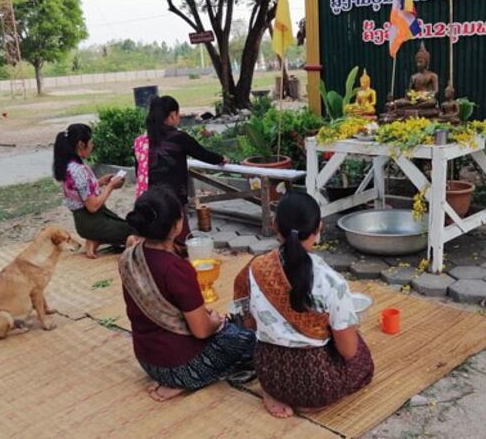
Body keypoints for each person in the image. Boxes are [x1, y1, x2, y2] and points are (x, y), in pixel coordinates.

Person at [233, 192, 374, 418]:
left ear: (274, 225)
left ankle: (271, 393)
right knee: (360, 354)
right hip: (316, 386)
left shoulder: (255, 268)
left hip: (269, 370)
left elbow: (245, 317)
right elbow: (348, 352)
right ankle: (309, 404)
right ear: (319, 228)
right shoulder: (332, 282)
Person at [120, 186, 255, 401]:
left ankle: (175, 379)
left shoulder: (129, 256)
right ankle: (182, 383)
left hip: (147, 360)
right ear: (176, 225)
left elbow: (169, 307)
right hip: (179, 366)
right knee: (247, 340)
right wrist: (216, 323)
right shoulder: (175, 269)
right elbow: (201, 331)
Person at [133, 95, 229, 245]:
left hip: (150, 197)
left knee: (155, 238)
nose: (179, 118)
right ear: (172, 115)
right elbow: (203, 154)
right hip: (173, 199)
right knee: (180, 240)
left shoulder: (141, 142)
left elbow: (138, 172)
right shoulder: (178, 137)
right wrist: (221, 158)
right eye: (178, 114)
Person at [53, 123, 134, 259]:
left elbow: (80, 193)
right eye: (90, 142)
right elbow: (93, 206)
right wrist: (110, 187)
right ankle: (96, 237)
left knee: (125, 226)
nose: (92, 146)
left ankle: (95, 239)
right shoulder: (79, 170)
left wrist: (100, 182)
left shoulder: (69, 165)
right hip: (92, 220)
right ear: (81, 144)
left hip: (84, 220)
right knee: (136, 231)